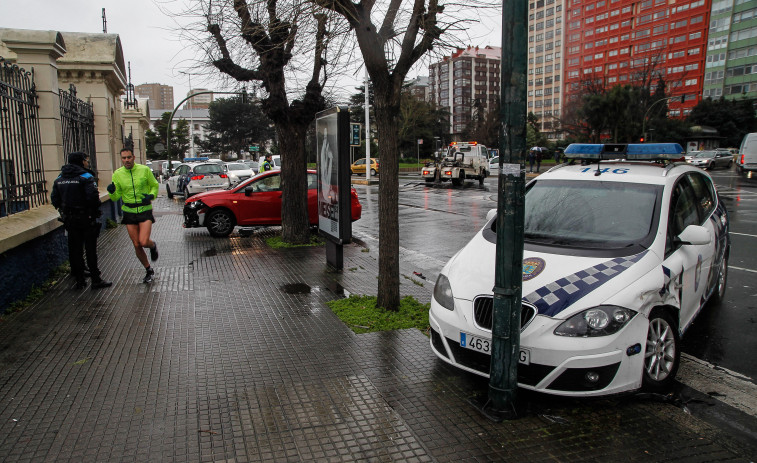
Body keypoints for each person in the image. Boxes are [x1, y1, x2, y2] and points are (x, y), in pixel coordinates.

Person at [51, 152, 112, 290]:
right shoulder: (86, 176)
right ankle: (96, 280)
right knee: (90, 250)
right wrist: (93, 211)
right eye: (86, 160)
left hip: (70, 219)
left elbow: (55, 199)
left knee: (76, 250)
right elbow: (93, 198)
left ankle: (80, 280)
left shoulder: (60, 178)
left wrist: (65, 210)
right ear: (81, 161)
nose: (87, 162)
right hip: (86, 218)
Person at [107, 148, 160, 283]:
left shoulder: (144, 170)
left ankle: (152, 245)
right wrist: (112, 192)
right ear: (121, 159)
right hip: (129, 211)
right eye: (124, 158)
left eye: (129, 157)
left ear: (134, 157)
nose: (127, 160)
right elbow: (115, 197)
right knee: (136, 244)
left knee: (143, 241)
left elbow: (154, 185)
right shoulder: (117, 174)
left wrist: (151, 196)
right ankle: (148, 270)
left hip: (144, 209)